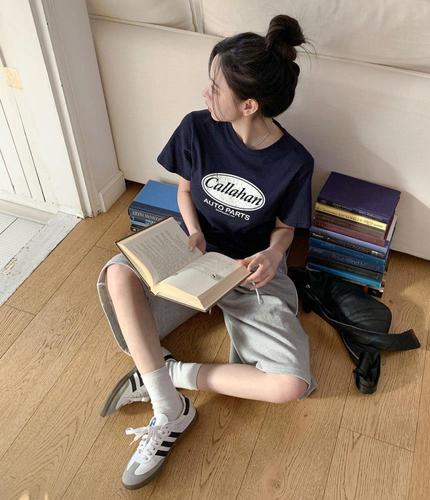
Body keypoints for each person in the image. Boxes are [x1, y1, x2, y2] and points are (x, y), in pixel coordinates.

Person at [96, 14, 318, 490]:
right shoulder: (197, 128)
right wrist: (194, 231)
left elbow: (285, 229)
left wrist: (273, 256)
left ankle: (166, 373)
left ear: (249, 104)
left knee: (290, 384)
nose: (206, 94)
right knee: (118, 275)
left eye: (215, 88)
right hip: (191, 252)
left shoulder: (294, 161)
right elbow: (183, 190)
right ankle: (168, 405)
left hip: (248, 269)